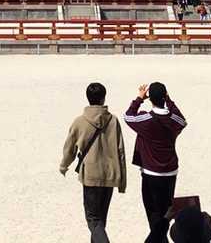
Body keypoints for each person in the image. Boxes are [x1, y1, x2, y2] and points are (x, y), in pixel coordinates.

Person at [59, 81, 126, 243]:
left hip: (90, 175)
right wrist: (122, 181)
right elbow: (121, 151)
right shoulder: (113, 120)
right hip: (110, 174)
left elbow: (70, 148)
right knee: (101, 220)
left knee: (93, 220)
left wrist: (64, 165)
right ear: (104, 98)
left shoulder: (80, 121)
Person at [125, 81, 187, 243]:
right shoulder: (173, 119)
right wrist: (169, 101)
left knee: (154, 214)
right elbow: (182, 120)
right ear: (164, 97)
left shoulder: (147, 119)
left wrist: (139, 99)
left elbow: (128, 116)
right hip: (170, 172)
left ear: (150, 98)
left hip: (151, 173)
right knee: (166, 212)